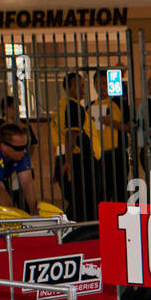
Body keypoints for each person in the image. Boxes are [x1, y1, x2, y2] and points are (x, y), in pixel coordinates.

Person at [50, 71, 102, 220]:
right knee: (86, 203)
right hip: (79, 161)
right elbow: (71, 135)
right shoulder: (73, 107)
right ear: (69, 88)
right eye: (78, 86)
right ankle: (83, 234)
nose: (83, 90)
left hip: (65, 158)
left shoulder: (59, 108)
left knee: (76, 202)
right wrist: (68, 163)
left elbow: (59, 142)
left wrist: (58, 165)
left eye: (83, 86)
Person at [0, 122, 39, 216]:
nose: (24, 151)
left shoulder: (20, 153)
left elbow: (27, 183)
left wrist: (36, 215)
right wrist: (12, 219)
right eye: (19, 148)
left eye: (25, 147)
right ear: (4, 147)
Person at [92, 68, 132, 203]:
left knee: (120, 191)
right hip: (97, 157)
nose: (101, 87)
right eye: (98, 83)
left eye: (105, 83)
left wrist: (113, 123)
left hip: (117, 155)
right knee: (101, 192)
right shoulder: (89, 107)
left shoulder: (119, 104)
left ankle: (123, 220)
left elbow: (131, 127)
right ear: (94, 85)